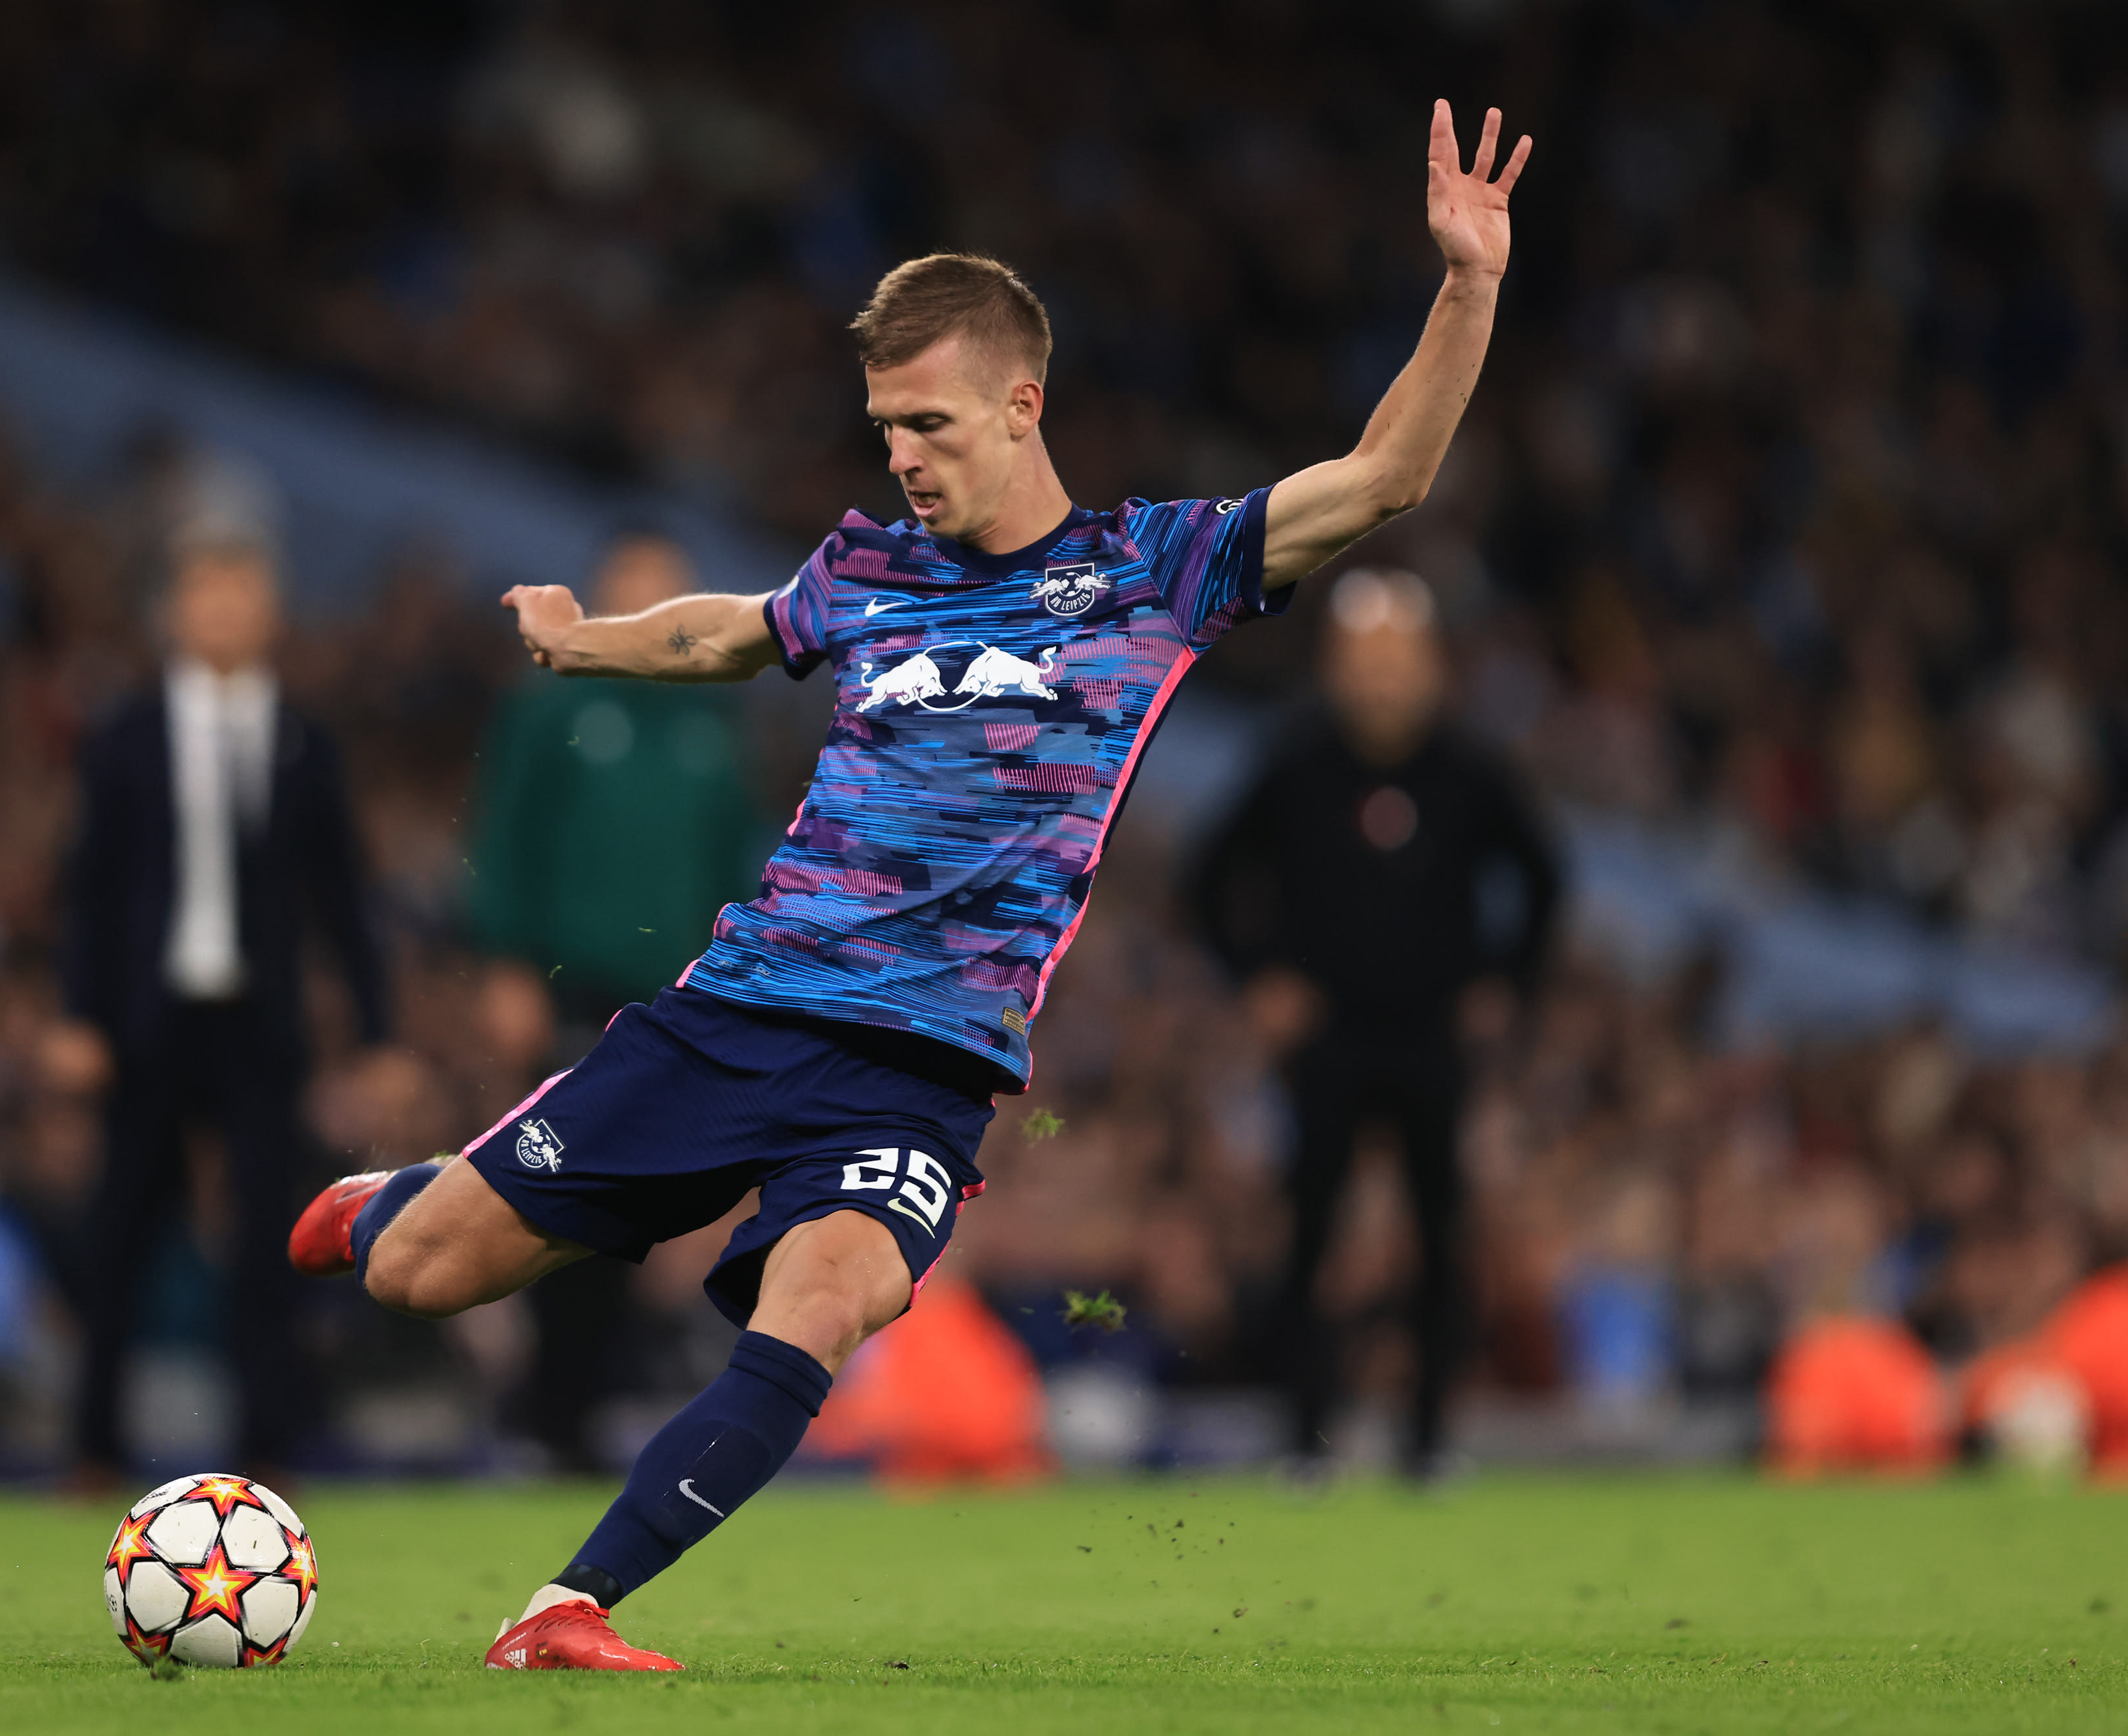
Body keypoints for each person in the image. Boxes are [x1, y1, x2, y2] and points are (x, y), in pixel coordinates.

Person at [292, 102, 1532, 1670]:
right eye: (885, 426)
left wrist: (1466, 284)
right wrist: (578, 638)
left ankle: (565, 1606)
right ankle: (400, 1196)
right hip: (738, 1011)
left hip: (927, 1067)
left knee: (815, 1306)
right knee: (420, 1276)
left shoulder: (1157, 569)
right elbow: (730, 631)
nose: (901, 455)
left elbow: (1383, 478)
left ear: (1022, 405)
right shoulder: (865, 570)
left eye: (929, 425)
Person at [1187, 568, 1562, 1481]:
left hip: (1431, 1034)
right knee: (1311, 1236)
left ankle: (1427, 1441)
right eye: (1367, 659)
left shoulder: (1469, 767)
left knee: (1441, 1236)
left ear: (1433, 666)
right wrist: (1259, 978)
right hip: (1330, 1040)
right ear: (1336, 666)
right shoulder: (1298, 758)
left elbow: (1544, 880)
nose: (1385, 678)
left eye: (1401, 659)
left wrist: (1504, 982)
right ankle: (1302, 1438)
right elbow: (1206, 878)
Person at [46, 529, 389, 1485]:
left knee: (265, 1239)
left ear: (269, 611)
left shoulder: (301, 737)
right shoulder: (124, 731)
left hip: (257, 1022)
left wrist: (376, 1028)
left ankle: (267, 1444)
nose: (225, 612)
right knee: (121, 1231)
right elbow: (91, 887)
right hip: (145, 1021)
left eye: (241, 594)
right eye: (207, 594)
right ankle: (92, 1445)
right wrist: (76, 1014)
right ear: (174, 610)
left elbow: (342, 894)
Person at [469, 529, 766, 1470]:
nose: (652, 605)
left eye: (667, 590)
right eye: (634, 587)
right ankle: (547, 1406)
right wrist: (506, 964)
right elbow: (505, 835)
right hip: (570, 980)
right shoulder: (550, 701)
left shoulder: (711, 718)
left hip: (675, 996)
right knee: (556, 1191)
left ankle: (583, 1402)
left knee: (640, 1205)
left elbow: (732, 861)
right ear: (601, 599)